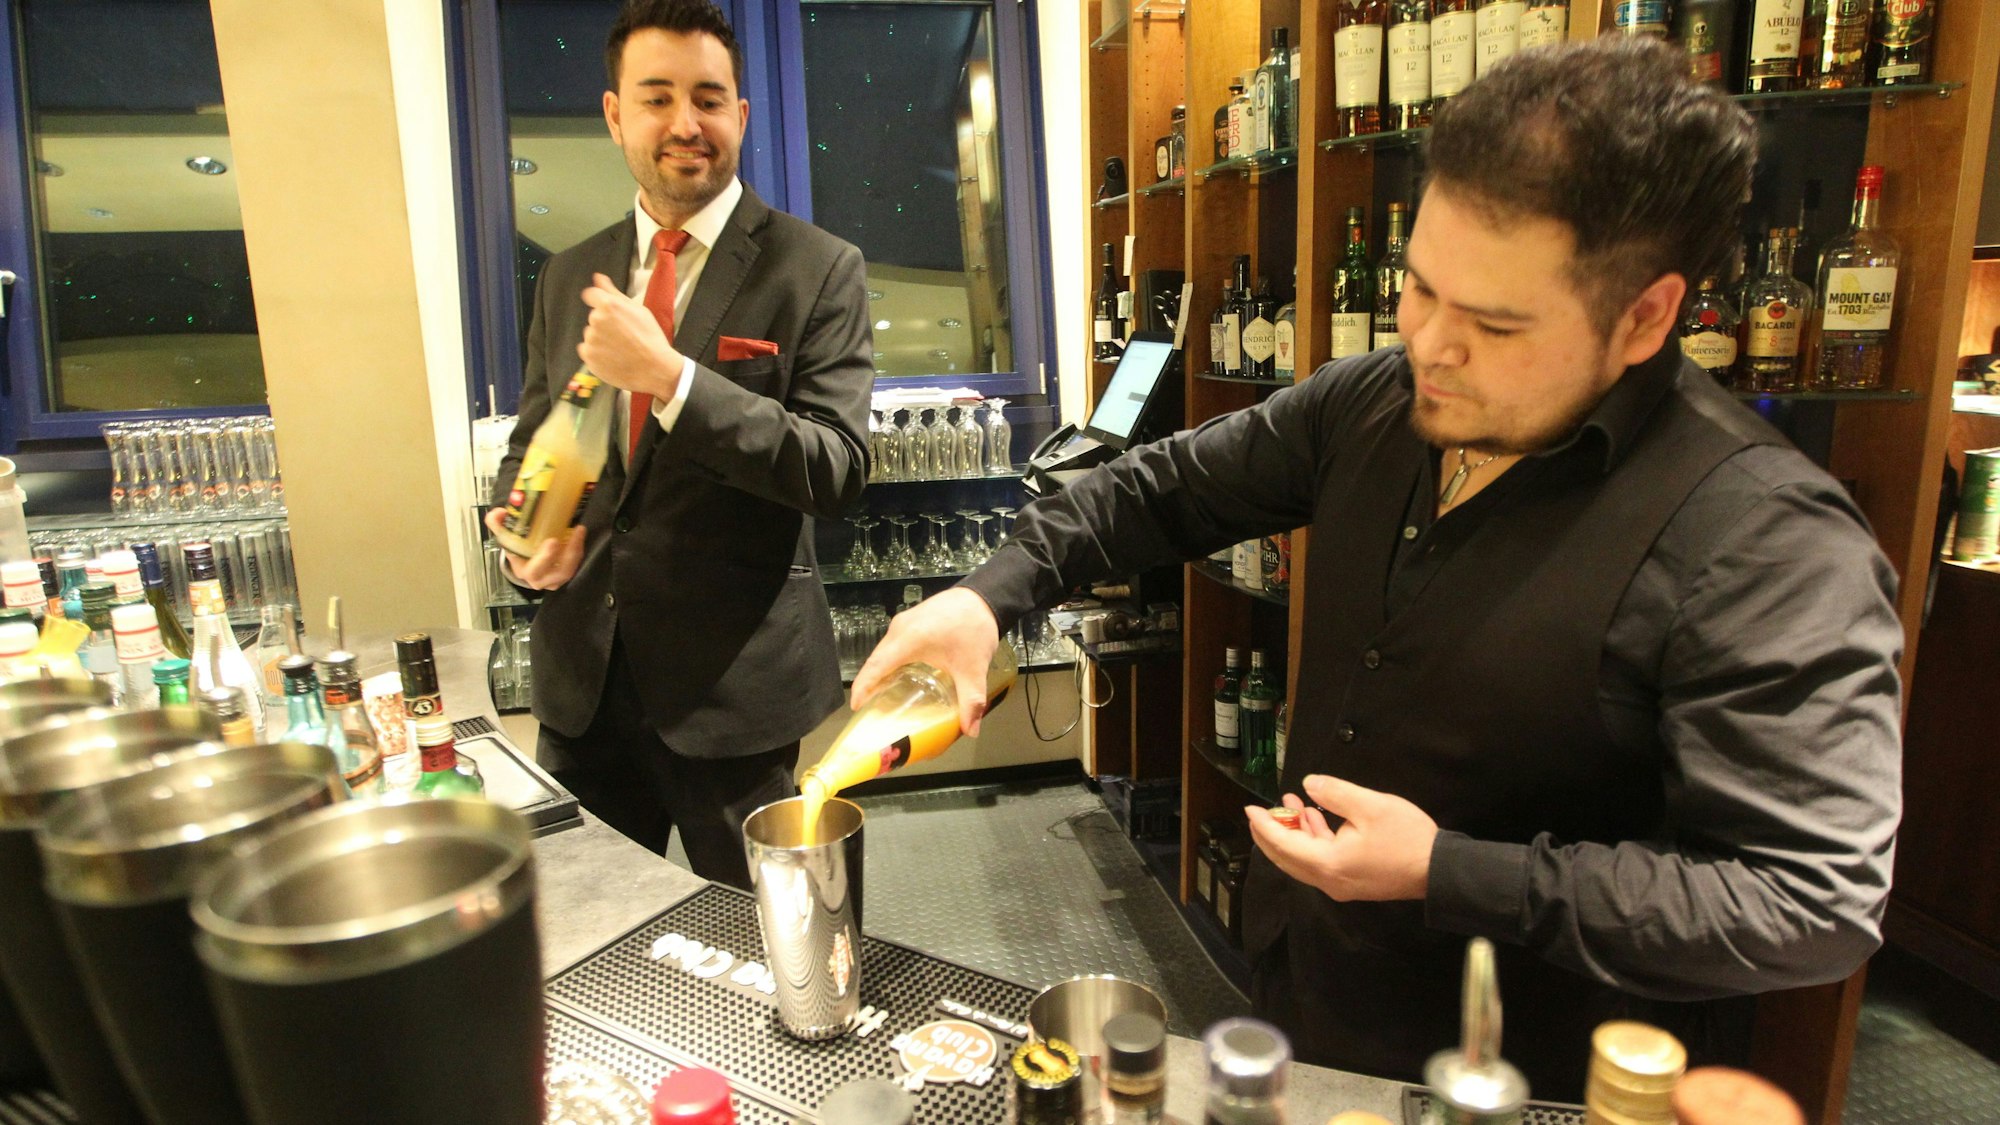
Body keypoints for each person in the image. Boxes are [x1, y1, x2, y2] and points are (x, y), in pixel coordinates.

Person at [853, 38, 1902, 1098]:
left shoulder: (1762, 538)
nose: (1429, 346)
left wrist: (1452, 872)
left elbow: (1810, 902)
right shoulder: (1369, 403)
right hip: (1309, 999)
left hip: (1534, 1074)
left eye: (1492, 324)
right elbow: (1157, 489)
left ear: (1643, 318)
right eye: (1419, 289)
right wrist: (985, 598)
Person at [489, 0, 872, 889]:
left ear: (741, 114)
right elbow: (533, 444)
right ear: (616, 114)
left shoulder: (817, 268)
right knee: (592, 935)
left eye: (709, 97)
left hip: (733, 697)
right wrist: (520, 540)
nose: (685, 123)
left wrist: (675, 381)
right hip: (584, 685)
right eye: (657, 97)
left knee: (772, 951)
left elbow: (838, 467)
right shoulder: (567, 272)